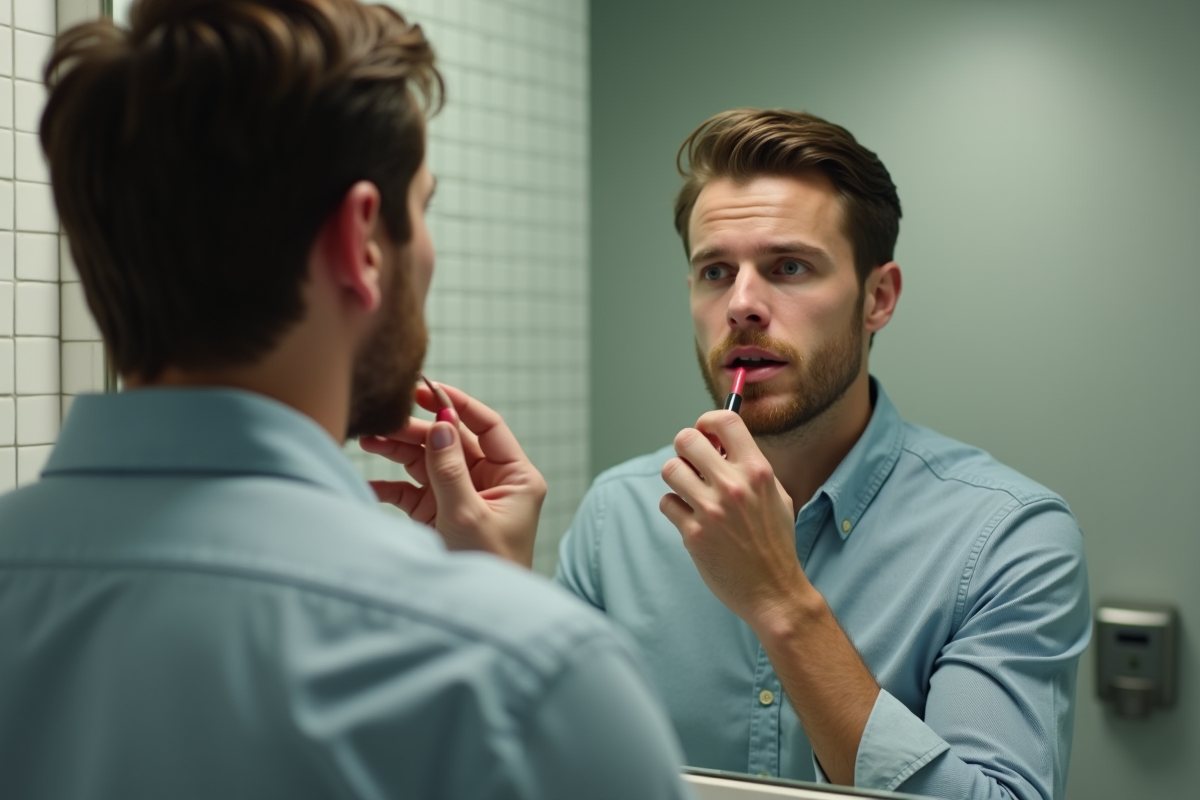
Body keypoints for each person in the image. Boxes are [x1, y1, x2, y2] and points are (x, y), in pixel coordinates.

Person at [0, 1, 692, 798]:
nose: (428, 254)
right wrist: (498, 613)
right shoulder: (520, 679)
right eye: (423, 208)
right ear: (363, 242)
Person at [556, 108, 1091, 800]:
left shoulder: (1009, 539)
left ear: (878, 298)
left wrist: (782, 601)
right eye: (715, 271)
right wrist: (487, 577)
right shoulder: (617, 518)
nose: (743, 304)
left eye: (789, 266)